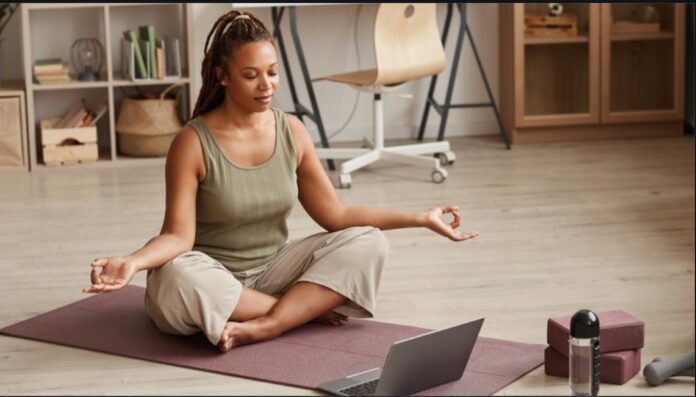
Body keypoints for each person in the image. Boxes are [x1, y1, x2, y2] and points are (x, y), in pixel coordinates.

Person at [83, 10, 478, 353]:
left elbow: (336, 214)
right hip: (210, 273)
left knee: (369, 240)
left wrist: (421, 218)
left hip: (273, 267)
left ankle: (268, 324)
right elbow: (178, 238)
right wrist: (133, 262)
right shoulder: (192, 142)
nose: (266, 85)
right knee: (173, 278)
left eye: (272, 73)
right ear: (222, 77)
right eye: (251, 76)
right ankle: (299, 309)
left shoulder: (291, 130)